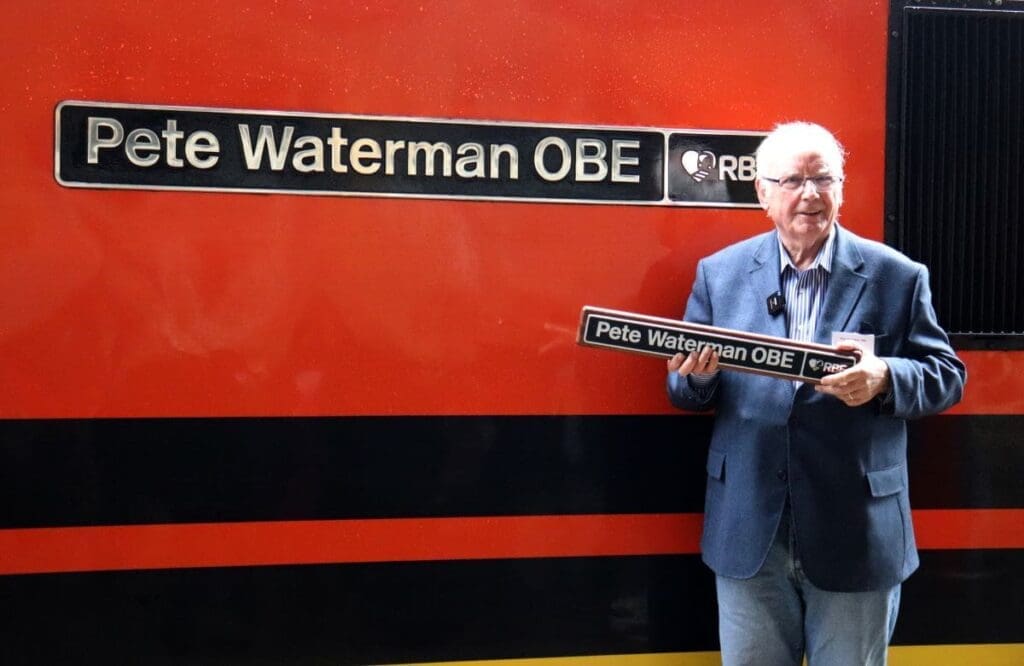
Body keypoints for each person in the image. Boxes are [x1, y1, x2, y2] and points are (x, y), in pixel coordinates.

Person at [665, 121, 965, 665]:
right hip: (749, 527)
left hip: (856, 531)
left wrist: (885, 377)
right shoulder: (720, 275)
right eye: (793, 180)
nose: (809, 194)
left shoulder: (897, 276)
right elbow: (685, 390)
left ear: (841, 189)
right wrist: (697, 377)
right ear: (763, 192)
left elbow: (946, 375)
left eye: (823, 179)